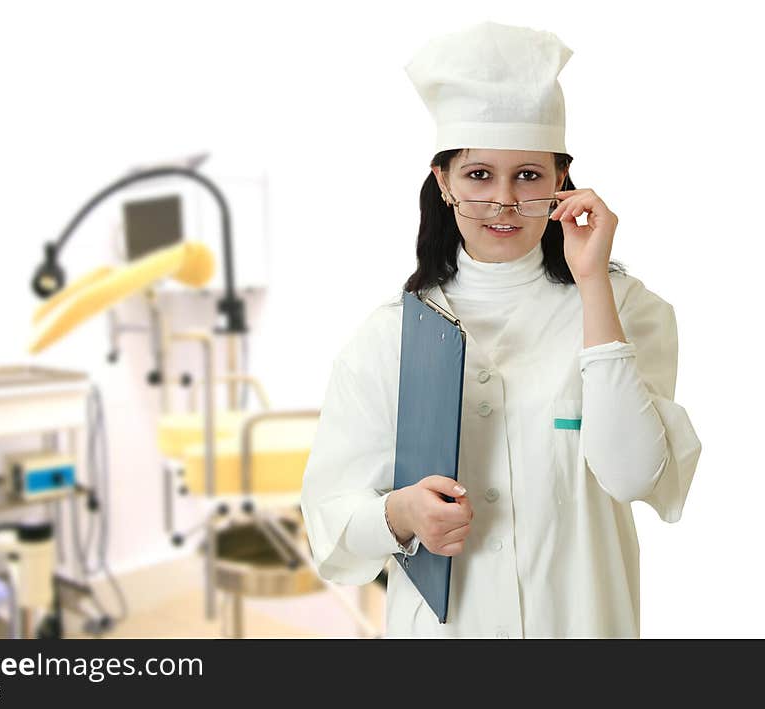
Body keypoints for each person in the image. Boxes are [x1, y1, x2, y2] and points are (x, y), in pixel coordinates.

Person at [300, 20, 702, 638]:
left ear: (562, 183)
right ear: (444, 182)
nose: (505, 202)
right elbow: (330, 526)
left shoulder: (626, 308)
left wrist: (592, 283)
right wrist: (400, 513)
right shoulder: (390, 335)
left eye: (530, 176)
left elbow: (634, 475)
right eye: (479, 175)